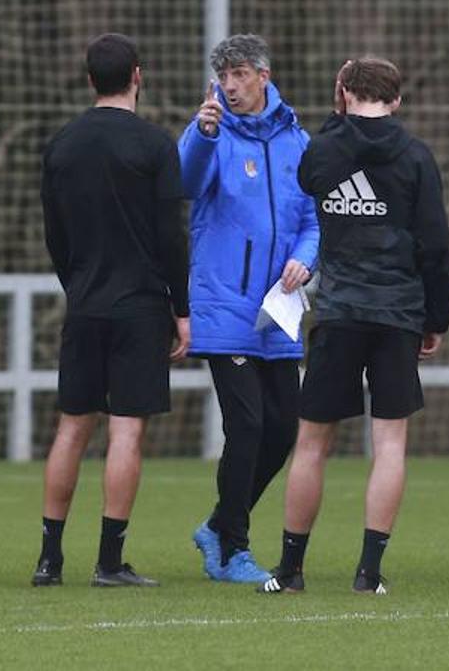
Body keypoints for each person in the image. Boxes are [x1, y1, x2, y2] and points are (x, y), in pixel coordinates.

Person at [258, 56, 449, 596]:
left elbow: (308, 176)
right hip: (396, 313)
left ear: (343, 92)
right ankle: (369, 574)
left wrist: (335, 116)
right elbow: (436, 245)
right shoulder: (415, 155)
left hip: (340, 312)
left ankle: (290, 570)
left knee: (312, 443)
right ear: (396, 100)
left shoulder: (324, 148)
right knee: (389, 443)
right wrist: (436, 317)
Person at [33, 33, 190, 588]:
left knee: (71, 429)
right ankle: (108, 561)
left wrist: (75, 283)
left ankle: (49, 559)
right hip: (141, 305)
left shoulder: (62, 144)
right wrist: (182, 306)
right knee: (125, 433)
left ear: (89, 78)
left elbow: (54, 233)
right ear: (137, 77)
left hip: (85, 304)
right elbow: (172, 234)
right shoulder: (154, 145)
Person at [180, 34, 318, 584]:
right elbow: (184, 183)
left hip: (278, 310)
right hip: (224, 306)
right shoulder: (211, 133)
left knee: (284, 429)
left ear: (263, 75)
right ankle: (234, 548)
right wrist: (203, 134)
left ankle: (217, 525)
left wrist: (305, 260)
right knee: (248, 423)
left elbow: (313, 218)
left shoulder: (296, 140)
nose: (231, 86)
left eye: (239, 75)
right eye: (223, 77)